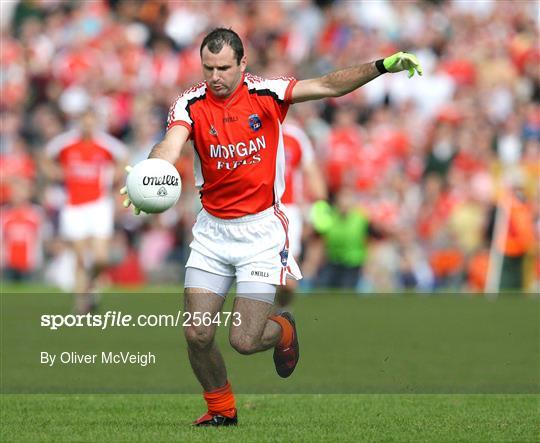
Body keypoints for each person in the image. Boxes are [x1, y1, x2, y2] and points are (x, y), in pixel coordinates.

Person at [121, 28, 422, 426]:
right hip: (212, 232)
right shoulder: (190, 103)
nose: (215, 76)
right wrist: (151, 172)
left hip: (261, 232)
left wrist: (383, 66)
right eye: (208, 68)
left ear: (243, 64)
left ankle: (282, 329)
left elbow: (330, 86)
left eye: (224, 68)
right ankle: (221, 410)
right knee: (197, 333)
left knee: (244, 341)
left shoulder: (268, 93)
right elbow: (170, 144)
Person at [43, 107, 127, 313]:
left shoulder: (105, 143)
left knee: (100, 258)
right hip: (74, 206)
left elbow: (124, 157)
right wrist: (55, 173)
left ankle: (89, 286)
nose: (88, 125)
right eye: (84, 120)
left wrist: (114, 177)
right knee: (80, 257)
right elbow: (45, 156)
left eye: (91, 121)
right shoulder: (67, 142)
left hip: (99, 204)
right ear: (79, 121)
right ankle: (81, 305)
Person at [276, 120, 327, 306]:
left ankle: (281, 313)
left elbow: (311, 170)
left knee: (288, 280)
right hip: (257, 210)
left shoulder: (295, 136)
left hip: (288, 211)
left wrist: (320, 205)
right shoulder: (251, 130)